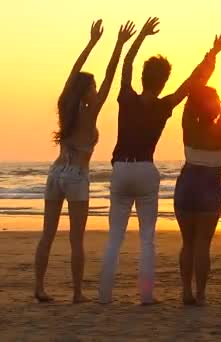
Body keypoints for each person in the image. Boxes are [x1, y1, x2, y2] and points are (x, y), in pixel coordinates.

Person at [98, 17, 219, 305]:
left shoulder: (126, 98)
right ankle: (146, 295)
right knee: (146, 239)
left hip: (121, 168)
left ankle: (104, 296)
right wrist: (210, 56)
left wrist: (131, 39)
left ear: (143, 77)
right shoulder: (164, 106)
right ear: (163, 81)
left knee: (115, 237)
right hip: (145, 169)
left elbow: (124, 66)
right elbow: (190, 84)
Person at [34, 20, 136, 304]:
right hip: (76, 177)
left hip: (56, 173)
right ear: (87, 90)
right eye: (91, 86)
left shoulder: (65, 106)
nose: (95, 89)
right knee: (75, 239)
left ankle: (39, 287)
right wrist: (117, 44)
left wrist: (91, 43)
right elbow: (109, 76)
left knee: (47, 235)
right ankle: (77, 293)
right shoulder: (89, 113)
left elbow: (71, 77)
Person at [175, 37, 221, 306]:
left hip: (188, 181)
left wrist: (211, 54)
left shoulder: (189, 122)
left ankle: (186, 292)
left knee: (187, 243)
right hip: (210, 184)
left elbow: (193, 88)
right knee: (202, 243)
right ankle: (200, 294)